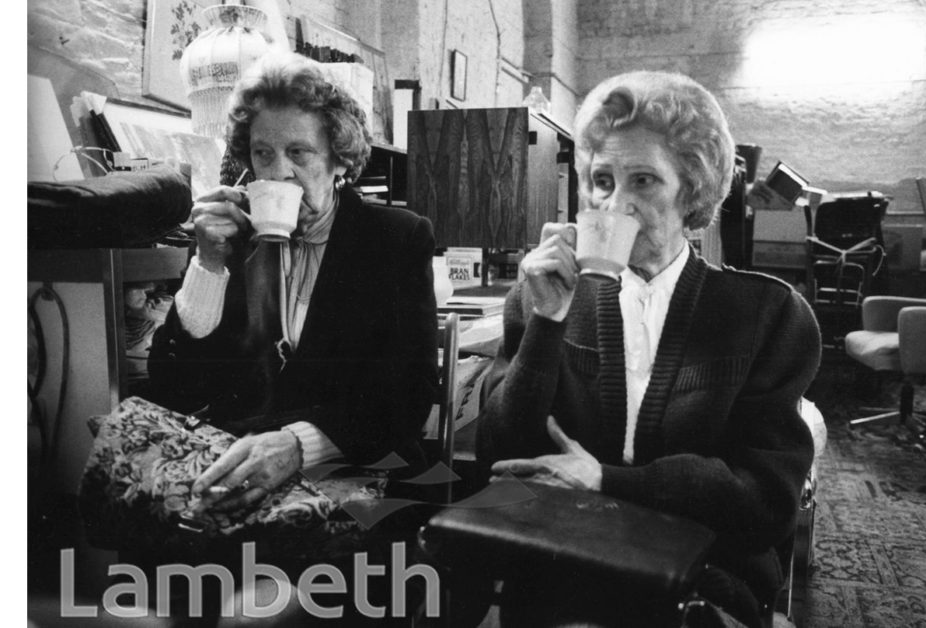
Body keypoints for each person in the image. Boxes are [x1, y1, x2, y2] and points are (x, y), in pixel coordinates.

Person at [476, 71, 821, 627]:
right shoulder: (543, 294)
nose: (616, 204)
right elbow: (499, 453)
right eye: (602, 180)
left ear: (692, 190)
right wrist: (547, 321)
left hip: (701, 582)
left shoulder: (766, 315)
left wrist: (611, 481)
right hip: (561, 571)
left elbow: (767, 507)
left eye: (643, 181)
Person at [146, 53, 438, 623]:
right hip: (246, 484)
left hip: (359, 477)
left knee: (249, 616)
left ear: (339, 160)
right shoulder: (232, 241)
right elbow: (172, 385)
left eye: (298, 153)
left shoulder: (395, 239)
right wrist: (207, 265)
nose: (277, 173)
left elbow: (405, 397)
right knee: (150, 595)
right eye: (262, 154)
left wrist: (299, 444)